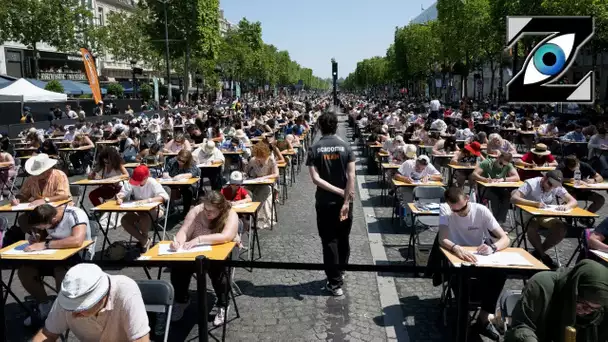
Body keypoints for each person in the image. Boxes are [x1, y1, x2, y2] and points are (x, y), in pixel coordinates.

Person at [439, 186, 510, 341]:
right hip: (456, 256)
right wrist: (455, 248)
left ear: (467, 199)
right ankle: (462, 318)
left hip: (479, 255)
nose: (459, 213)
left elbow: (505, 238)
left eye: (462, 208)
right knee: (460, 277)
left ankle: (483, 319)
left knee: (500, 273)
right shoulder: (445, 209)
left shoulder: (481, 210)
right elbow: (442, 238)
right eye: (454, 210)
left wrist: (493, 247)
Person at [169, 192, 239, 326]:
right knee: (178, 267)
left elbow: (226, 236)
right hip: (196, 252)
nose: (207, 212)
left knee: (219, 271)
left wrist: (199, 239)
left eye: (211, 211)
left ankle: (223, 304)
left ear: (221, 208)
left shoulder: (230, 214)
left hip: (221, 252)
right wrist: (177, 242)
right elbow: (184, 230)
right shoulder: (197, 211)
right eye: (205, 209)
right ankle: (182, 300)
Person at [31, 263, 150, 342]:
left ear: (101, 298)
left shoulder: (126, 290)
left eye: (80, 309)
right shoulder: (68, 296)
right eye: (71, 308)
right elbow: (48, 334)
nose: (73, 314)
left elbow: (140, 339)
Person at [306, 111, 355, 297]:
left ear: (319, 126)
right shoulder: (345, 146)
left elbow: (316, 179)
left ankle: (335, 283)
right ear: (336, 125)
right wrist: (346, 198)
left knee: (329, 241)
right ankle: (341, 270)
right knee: (343, 237)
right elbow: (351, 175)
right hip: (345, 202)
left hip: (325, 202)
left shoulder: (314, 148)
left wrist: (337, 192)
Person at [19, 204, 92, 326]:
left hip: (79, 254)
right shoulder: (48, 219)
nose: (41, 229)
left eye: (41, 227)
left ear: (53, 220)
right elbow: (43, 237)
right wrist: (37, 239)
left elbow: (77, 240)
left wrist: (45, 245)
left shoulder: (74, 214)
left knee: (61, 272)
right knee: (25, 272)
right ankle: (45, 305)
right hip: (55, 255)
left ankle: (62, 310)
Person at [505, 259, 608, 342]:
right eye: (583, 304)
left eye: (593, 309)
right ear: (574, 290)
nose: (586, 311)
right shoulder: (542, 286)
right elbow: (522, 327)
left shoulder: (602, 307)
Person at [510, 170, 578, 268]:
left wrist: (567, 206)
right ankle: (543, 256)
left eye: (555, 186)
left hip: (543, 214)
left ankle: (538, 253)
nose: (551, 188)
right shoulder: (531, 183)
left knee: (561, 227)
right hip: (525, 214)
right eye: (550, 184)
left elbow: (573, 201)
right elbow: (513, 198)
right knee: (532, 225)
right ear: (544, 178)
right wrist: (533, 203)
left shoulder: (555, 186)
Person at [11, 154, 72, 234]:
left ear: (48, 169)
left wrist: (45, 200)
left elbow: (64, 195)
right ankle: (38, 237)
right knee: (23, 219)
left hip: (59, 209)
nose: (36, 175)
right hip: (39, 211)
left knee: (45, 219)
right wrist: (18, 199)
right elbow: (23, 194)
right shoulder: (31, 179)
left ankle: (44, 238)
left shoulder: (59, 175)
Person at [116, 165, 169, 251]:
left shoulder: (152, 182)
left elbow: (164, 196)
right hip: (138, 210)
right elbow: (124, 192)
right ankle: (144, 240)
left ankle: (143, 241)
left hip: (155, 210)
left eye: (139, 181)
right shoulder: (132, 181)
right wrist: (120, 198)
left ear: (146, 178)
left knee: (144, 216)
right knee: (124, 220)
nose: (137, 183)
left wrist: (148, 200)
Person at [471, 152, 520, 223]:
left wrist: (503, 179)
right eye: (501, 163)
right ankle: (495, 222)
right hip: (485, 188)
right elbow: (474, 174)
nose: (502, 166)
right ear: (498, 158)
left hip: (499, 188)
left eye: (504, 165)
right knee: (495, 196)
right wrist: (483, 179)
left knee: (507, 196)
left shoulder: (508, 165)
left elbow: (517, 177)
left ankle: (499, 221)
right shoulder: (486, 163)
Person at [244, 142, 279, 229]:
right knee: (245, 191)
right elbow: (246, 172)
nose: (258, 159)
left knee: (262, 192)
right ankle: (246, 214)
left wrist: (264, 177)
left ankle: (255, 216)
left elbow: (276, 174)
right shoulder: (252, 160)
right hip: (255, 181)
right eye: (257, 156)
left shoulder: (271, 160)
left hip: (267, 183)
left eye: (261, 157)